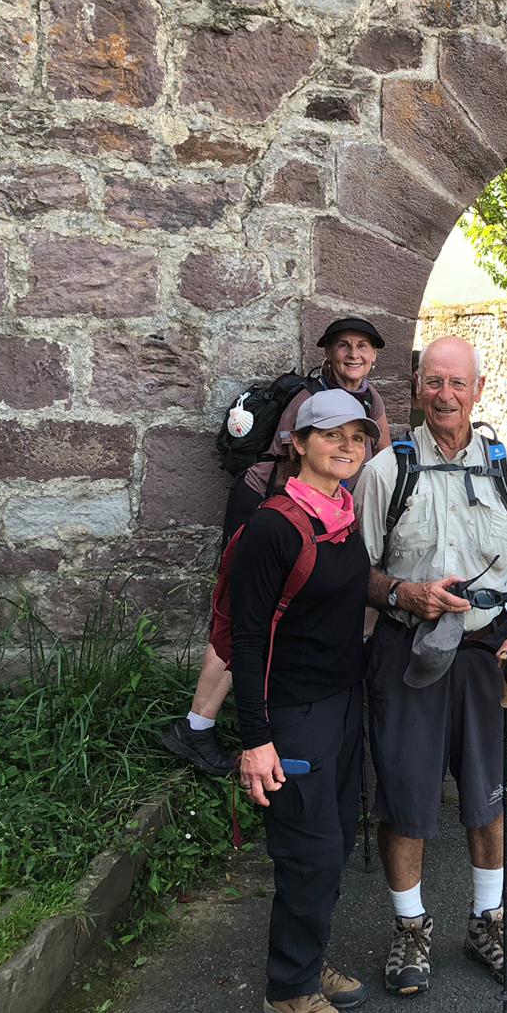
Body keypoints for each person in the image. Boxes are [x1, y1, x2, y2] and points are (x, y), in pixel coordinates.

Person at [354, 336, 507, 997]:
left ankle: (487, 921)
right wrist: (403, 594)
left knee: (487, 790)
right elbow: (361, 572)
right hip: (407, 649)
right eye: (434, 382)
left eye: (456, 383)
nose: (445, 395)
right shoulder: (387, 470)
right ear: (416, 386)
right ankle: (410, 928)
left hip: (485, 650)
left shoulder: (506, 469)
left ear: (478, 389)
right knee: (406, 795)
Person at [162, 317, 391, 777]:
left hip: (313, 514)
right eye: (343, 346)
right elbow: (293, 465)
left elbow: (380, 458)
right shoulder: (308, 400)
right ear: (327, 353)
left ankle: (237, 713)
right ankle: (197, 725)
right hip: (268, 507)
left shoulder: (371, 400)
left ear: (375, 356)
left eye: (363, 347)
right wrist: (289, 523)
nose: (353, 354)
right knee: (243, 616)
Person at [230, 389, 377, 1013]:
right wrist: (255, 739)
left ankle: (309, 961)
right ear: (299, 443)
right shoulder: (273, 526)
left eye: (357, 436)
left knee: (337, 840)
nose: (345, 446)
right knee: (307, 850)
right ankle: (288, 988)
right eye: (331, 435)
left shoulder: (342, 512)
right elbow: (249, 637)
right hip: (292, 714)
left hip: (343, 704)